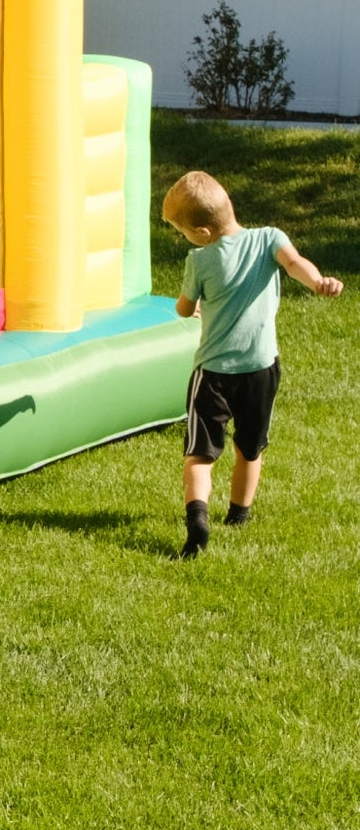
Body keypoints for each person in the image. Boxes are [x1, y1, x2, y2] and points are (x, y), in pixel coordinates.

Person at [161, 171, 340, 558]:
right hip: (260, 370)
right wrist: (318, 283)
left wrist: (190, 309)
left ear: (204, 231)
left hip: (212, 374)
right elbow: (295, 264)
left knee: (199, 455)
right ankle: (239, 516)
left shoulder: (201, 259)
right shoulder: (269, 237)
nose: (185, 239)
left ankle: (197, 521)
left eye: (183, 232)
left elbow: (184, 308)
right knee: (250, 447)